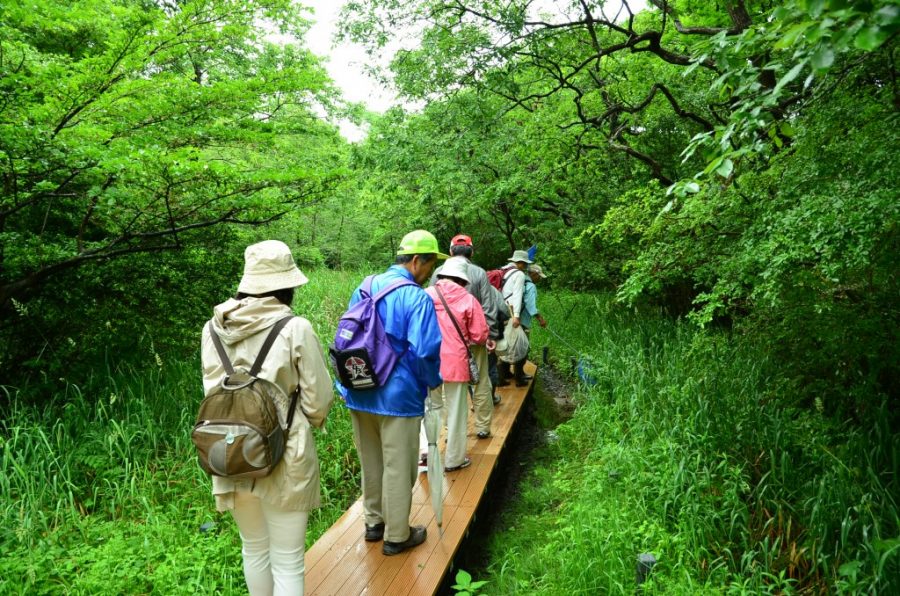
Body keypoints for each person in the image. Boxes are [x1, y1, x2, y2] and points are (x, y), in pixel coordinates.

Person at [200, 240, 335, 596]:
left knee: (254, 548)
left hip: (229, 452)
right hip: (286, 455)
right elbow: (318, 401)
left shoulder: (212, 329)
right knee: (288, 559)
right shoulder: (295, 328)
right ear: (285, 284)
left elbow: (213, 391)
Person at [337, 230, 446, 556]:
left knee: (371, 461)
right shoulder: (417, 297)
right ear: (416, 261)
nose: (429, 273)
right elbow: (426, 350)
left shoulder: (365, 285)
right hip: (398, 398)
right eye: (429, 266)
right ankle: (397, 536)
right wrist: (431, 383)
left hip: (359, 388)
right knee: (399, 466)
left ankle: (374, 523)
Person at [424, 257, 489, 471]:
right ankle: (454, 460)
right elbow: (479, 335)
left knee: (430, 409)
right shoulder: (468, 299)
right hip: (455, 362)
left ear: (441, 276)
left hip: (428, 361)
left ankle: (426, 454)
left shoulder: (425, 295)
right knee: (457, 412)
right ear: (462, 280)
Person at [431, 234, 500, 437]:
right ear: (472, 252)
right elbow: (489, 306)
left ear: (450, 251)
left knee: (447, 385)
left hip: (445, 340)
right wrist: (491, 335)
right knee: (480, 382)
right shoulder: (479, 273)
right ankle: (483, 428)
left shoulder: (437, 272)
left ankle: (447, 428)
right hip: (475, 339)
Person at [496, 249, 531, 386]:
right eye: (525, 263)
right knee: (514, 344)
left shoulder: (505, 270)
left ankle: (501, 376)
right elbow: (517, 296)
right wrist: (516, 316)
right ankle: (518, 377)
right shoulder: (519, 275)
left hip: (498, 310)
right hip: (508, 311)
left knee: (501, 342)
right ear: (521, 263)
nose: (526, 266)